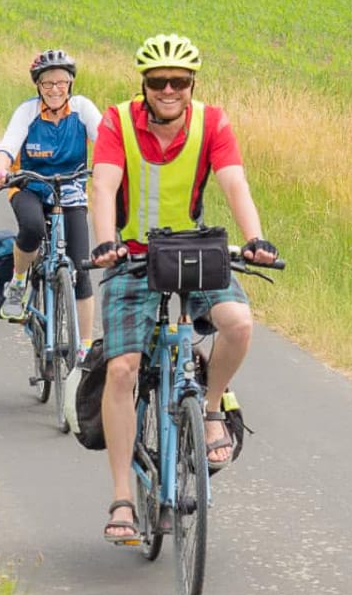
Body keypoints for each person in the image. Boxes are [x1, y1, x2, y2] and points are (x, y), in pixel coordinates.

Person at [89, 33, 279, 544]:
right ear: (144, 84)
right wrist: (106, 242)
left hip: (193, 250)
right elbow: (103, 185)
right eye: (158, 82)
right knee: (123, 368)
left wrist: (255, 238)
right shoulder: (116, 120)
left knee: (238, 323)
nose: (169, 90)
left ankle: (213, 409)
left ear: (192, 83)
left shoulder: (212, 121)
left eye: (179, 82)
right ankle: (123, 495)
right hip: (131, 256)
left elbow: (235, 183)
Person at [0, 50, 102, 337]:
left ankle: (84, 348)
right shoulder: (28, 111)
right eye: (47, 83)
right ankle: (19, 282)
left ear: (70, 83)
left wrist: (111, 168)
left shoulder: (82, 108)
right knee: (33, 228)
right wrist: (1, 171)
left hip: (71, 189)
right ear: (38, 85)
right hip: (29, 185)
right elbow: (8, 146)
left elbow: (108, 141)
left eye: (61, 82)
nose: (54, 89)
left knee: (81, 270)